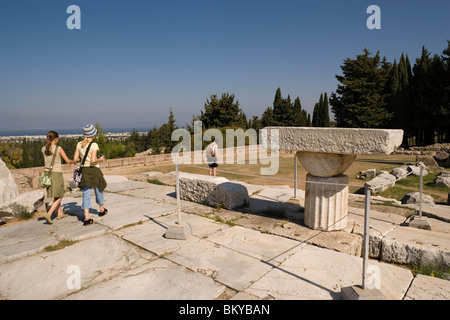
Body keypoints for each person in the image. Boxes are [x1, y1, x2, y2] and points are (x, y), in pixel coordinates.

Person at [73, 124, 108, 226]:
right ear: (94, 134)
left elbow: (75, 160)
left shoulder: (79, 144)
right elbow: (93, 160)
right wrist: (100, 159)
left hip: (84, 171)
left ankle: (87, 217)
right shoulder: (94, 145)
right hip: (93, 170)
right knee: (98, 189)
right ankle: (101, 209)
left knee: (86, 193)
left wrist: (82, 157)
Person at [41, 131, 76, 224]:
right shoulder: (58, 148)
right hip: (56, 174)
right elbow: (68, 161)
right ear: (56, 139)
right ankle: (49, 214)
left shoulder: (43, 149)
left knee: (56, 194)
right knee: (60, 194)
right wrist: (75, 160)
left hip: (47, 174)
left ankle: (59, 213)